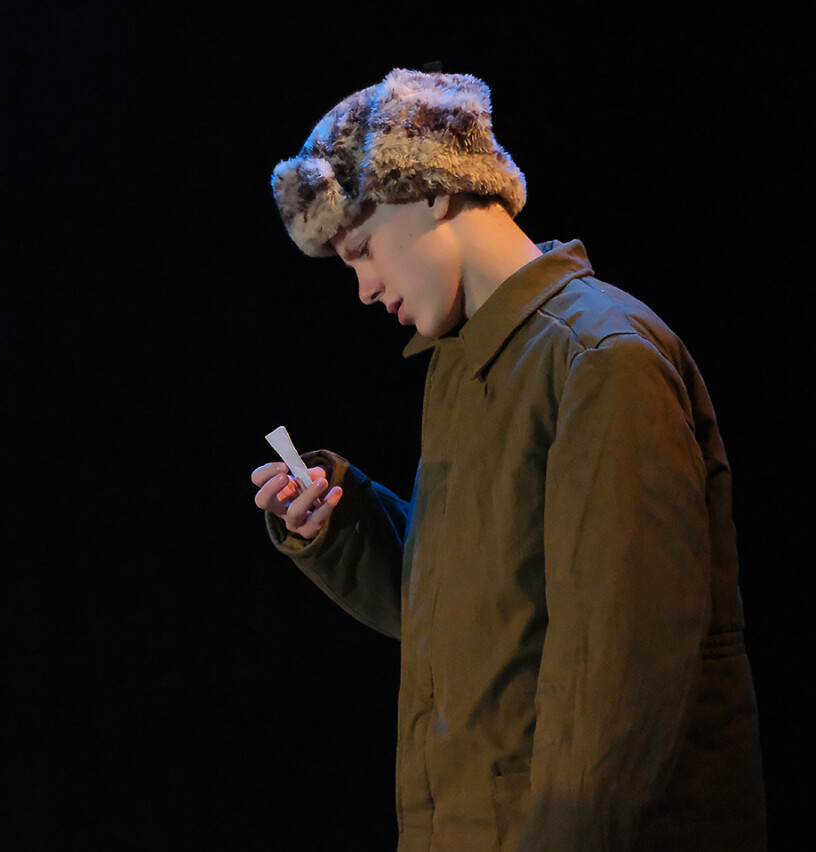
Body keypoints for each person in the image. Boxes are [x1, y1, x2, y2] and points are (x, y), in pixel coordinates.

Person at [251, 69, 764, 850]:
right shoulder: (471, 367)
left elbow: (615, 679)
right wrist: (342, 525)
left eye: (362, 250)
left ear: (432, 191)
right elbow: (478, 618)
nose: (363, 289)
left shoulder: (599, 359)